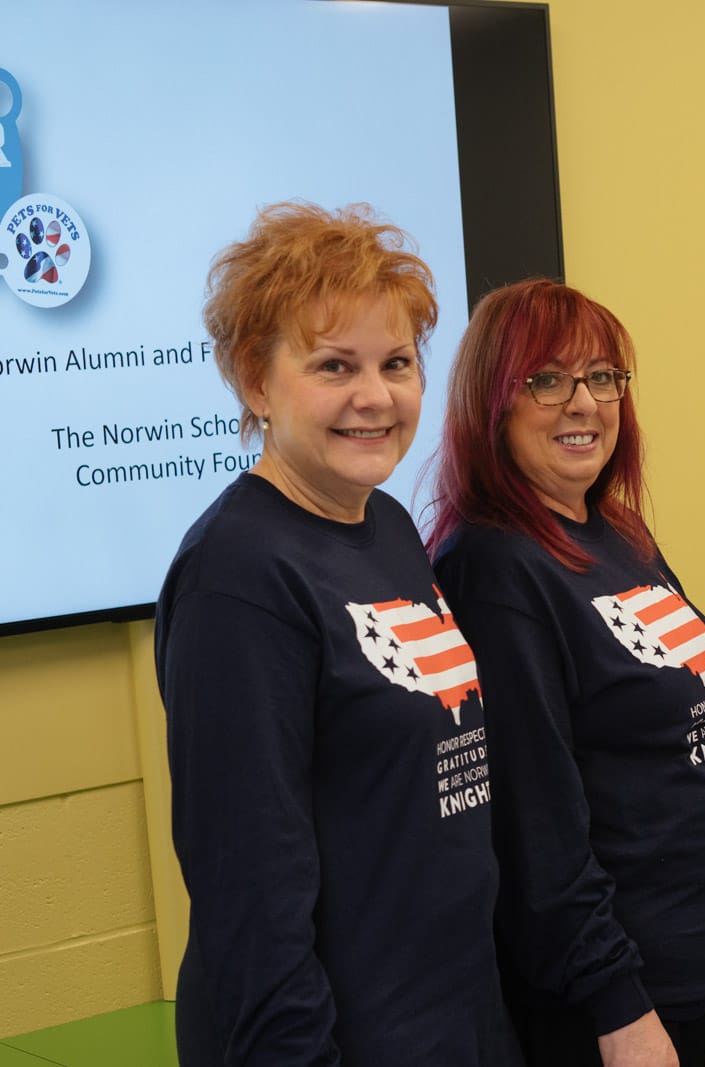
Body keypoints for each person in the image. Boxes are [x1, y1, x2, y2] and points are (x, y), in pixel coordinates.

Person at [155, 202, 517, 1065]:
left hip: (450, 1020)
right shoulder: (237, 577)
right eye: (333, 365)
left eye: (397, 363)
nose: (375, 396)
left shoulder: (387, 526)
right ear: (255, 379)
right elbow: (251, 896)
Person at [427, 278, 705, 1067]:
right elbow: (536, 823)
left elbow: (618, 701)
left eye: (603, 377)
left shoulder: (613, 530)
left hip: (684, 966)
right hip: (607, 1006)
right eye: (547, 379)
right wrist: (616, 1005)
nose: (584, 403)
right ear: (492, 402)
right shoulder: (496, 568)